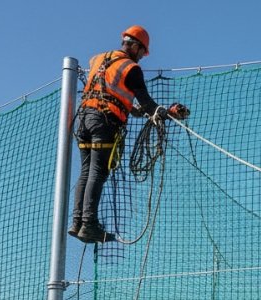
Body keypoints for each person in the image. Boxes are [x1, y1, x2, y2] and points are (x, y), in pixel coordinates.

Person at [69, 25, 186, 243]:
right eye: (142, 52)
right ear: (135, 46)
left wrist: (132, 110)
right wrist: (165, 113)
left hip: (84, 119)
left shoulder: (99, 59)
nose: (142, 57)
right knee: (97, 171)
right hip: (103, 123)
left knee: (86, 171)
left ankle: (78, 223)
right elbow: (147, 103)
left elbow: (108, 90)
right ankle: (89, 225)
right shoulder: (131, 68)